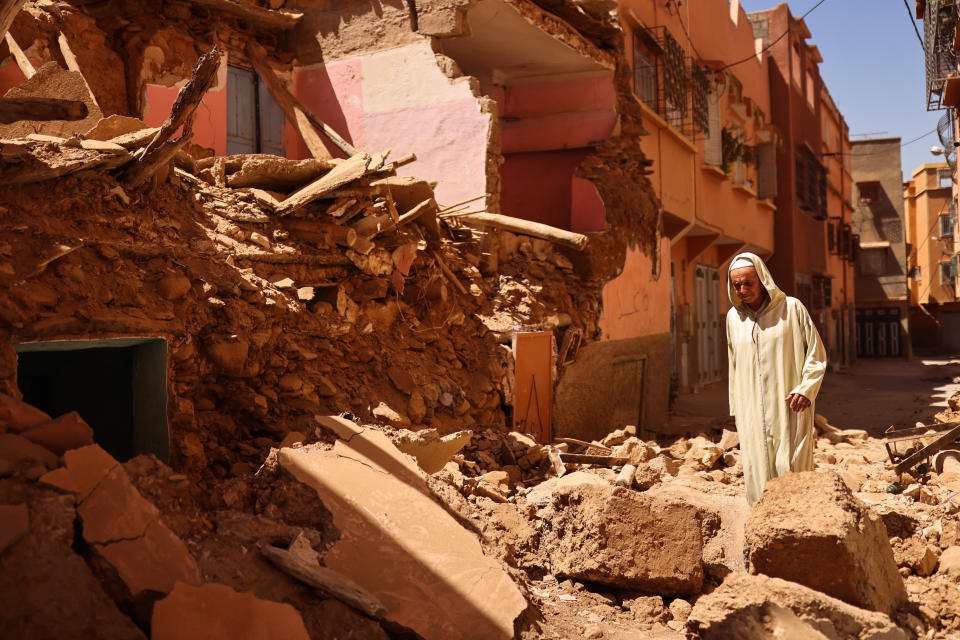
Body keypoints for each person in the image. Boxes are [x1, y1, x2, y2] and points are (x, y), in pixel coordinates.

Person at [725, 252, 827, 506]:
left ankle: (800, 527)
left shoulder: (792, 309)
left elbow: (816, 353)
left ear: (763, 280)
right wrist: (737, 408)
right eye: (736, 284)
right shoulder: (733, 319)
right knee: (756, 469)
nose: (742, 289)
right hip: (751, 411)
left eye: (748, 282)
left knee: (791, 466)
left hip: (789, 405)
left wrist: (807, 389)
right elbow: (733, 365)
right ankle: (762, 530)